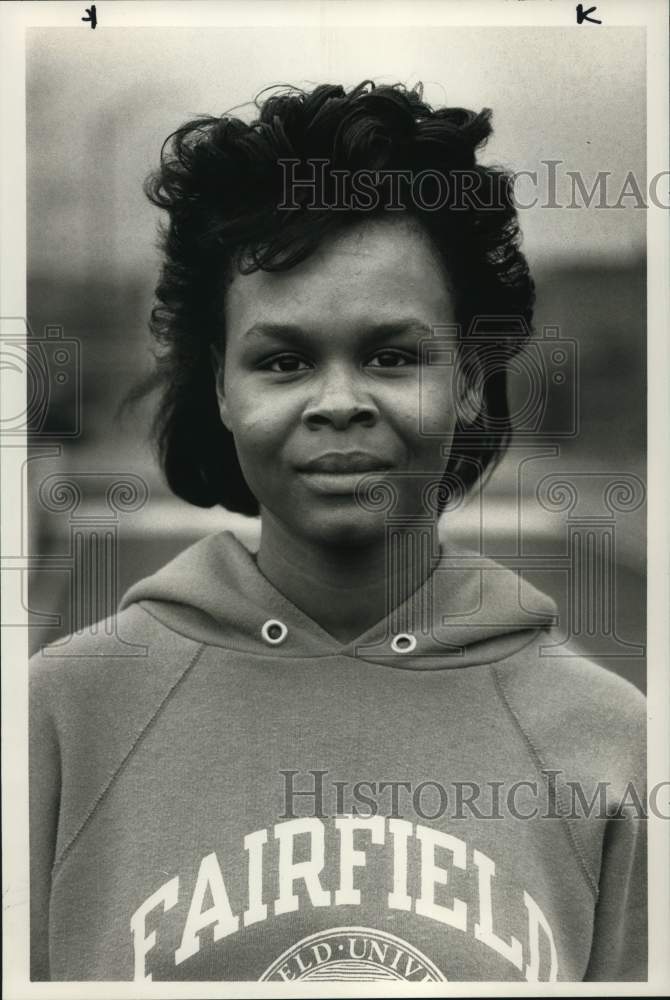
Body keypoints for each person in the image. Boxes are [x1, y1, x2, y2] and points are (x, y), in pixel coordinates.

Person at [29, 81, 646, 984]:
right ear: (220, 388)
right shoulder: (58, 718)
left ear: (470, 378)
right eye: (283, 361)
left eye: (393, 355)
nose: (340, 403)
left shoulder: (610, 741)